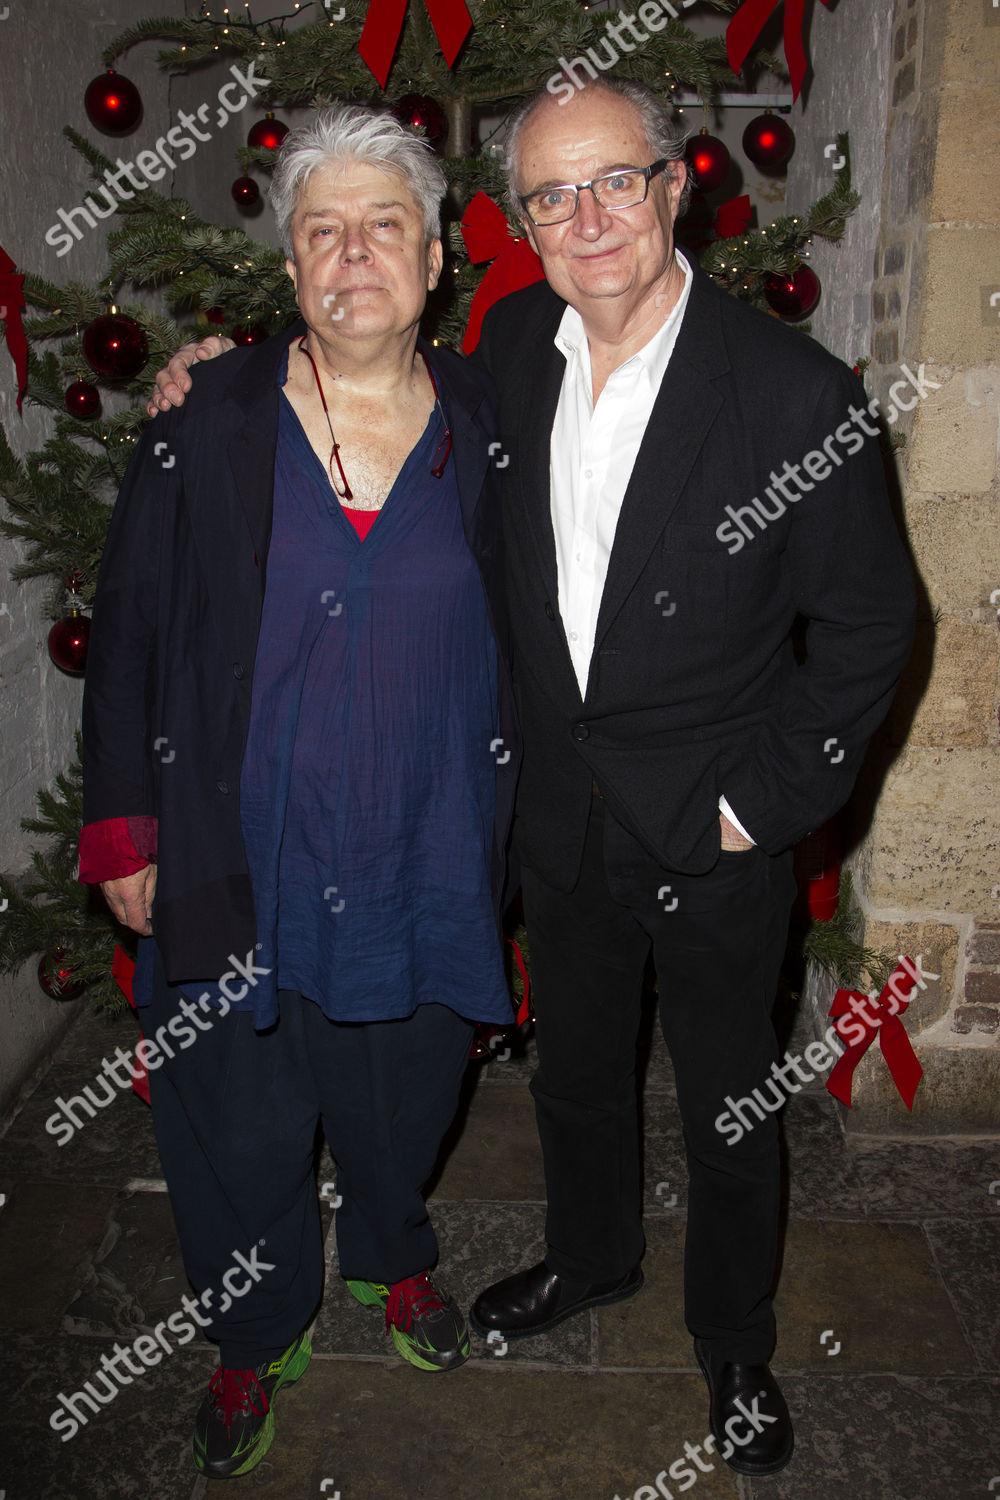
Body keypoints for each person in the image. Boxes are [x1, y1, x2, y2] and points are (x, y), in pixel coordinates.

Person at [151, 76, 915, 1478]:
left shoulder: (796, 392)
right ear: (518, 229)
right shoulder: (508, 348)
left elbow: (875, 630)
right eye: (554, 194)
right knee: (577, 1081)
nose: (588, 216)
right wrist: (208, 368)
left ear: (676, 186)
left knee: (731, 1104)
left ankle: (735, 1344)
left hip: (715, 835)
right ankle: (589, 1257)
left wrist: (762, 804)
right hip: (554, 823)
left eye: (615, 180)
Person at [80, 103, 518, 1481]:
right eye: (320, 231)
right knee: (237, 1112)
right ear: (289, 270)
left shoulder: (495, 425)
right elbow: (133, 624)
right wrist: (124, 828)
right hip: (236, 844)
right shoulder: (207, 415)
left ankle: (394, 1257)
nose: (351, 256)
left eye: (382, 225)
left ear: (435, 255)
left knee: (404, 1091)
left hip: (428, 837)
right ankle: (253, 1328)